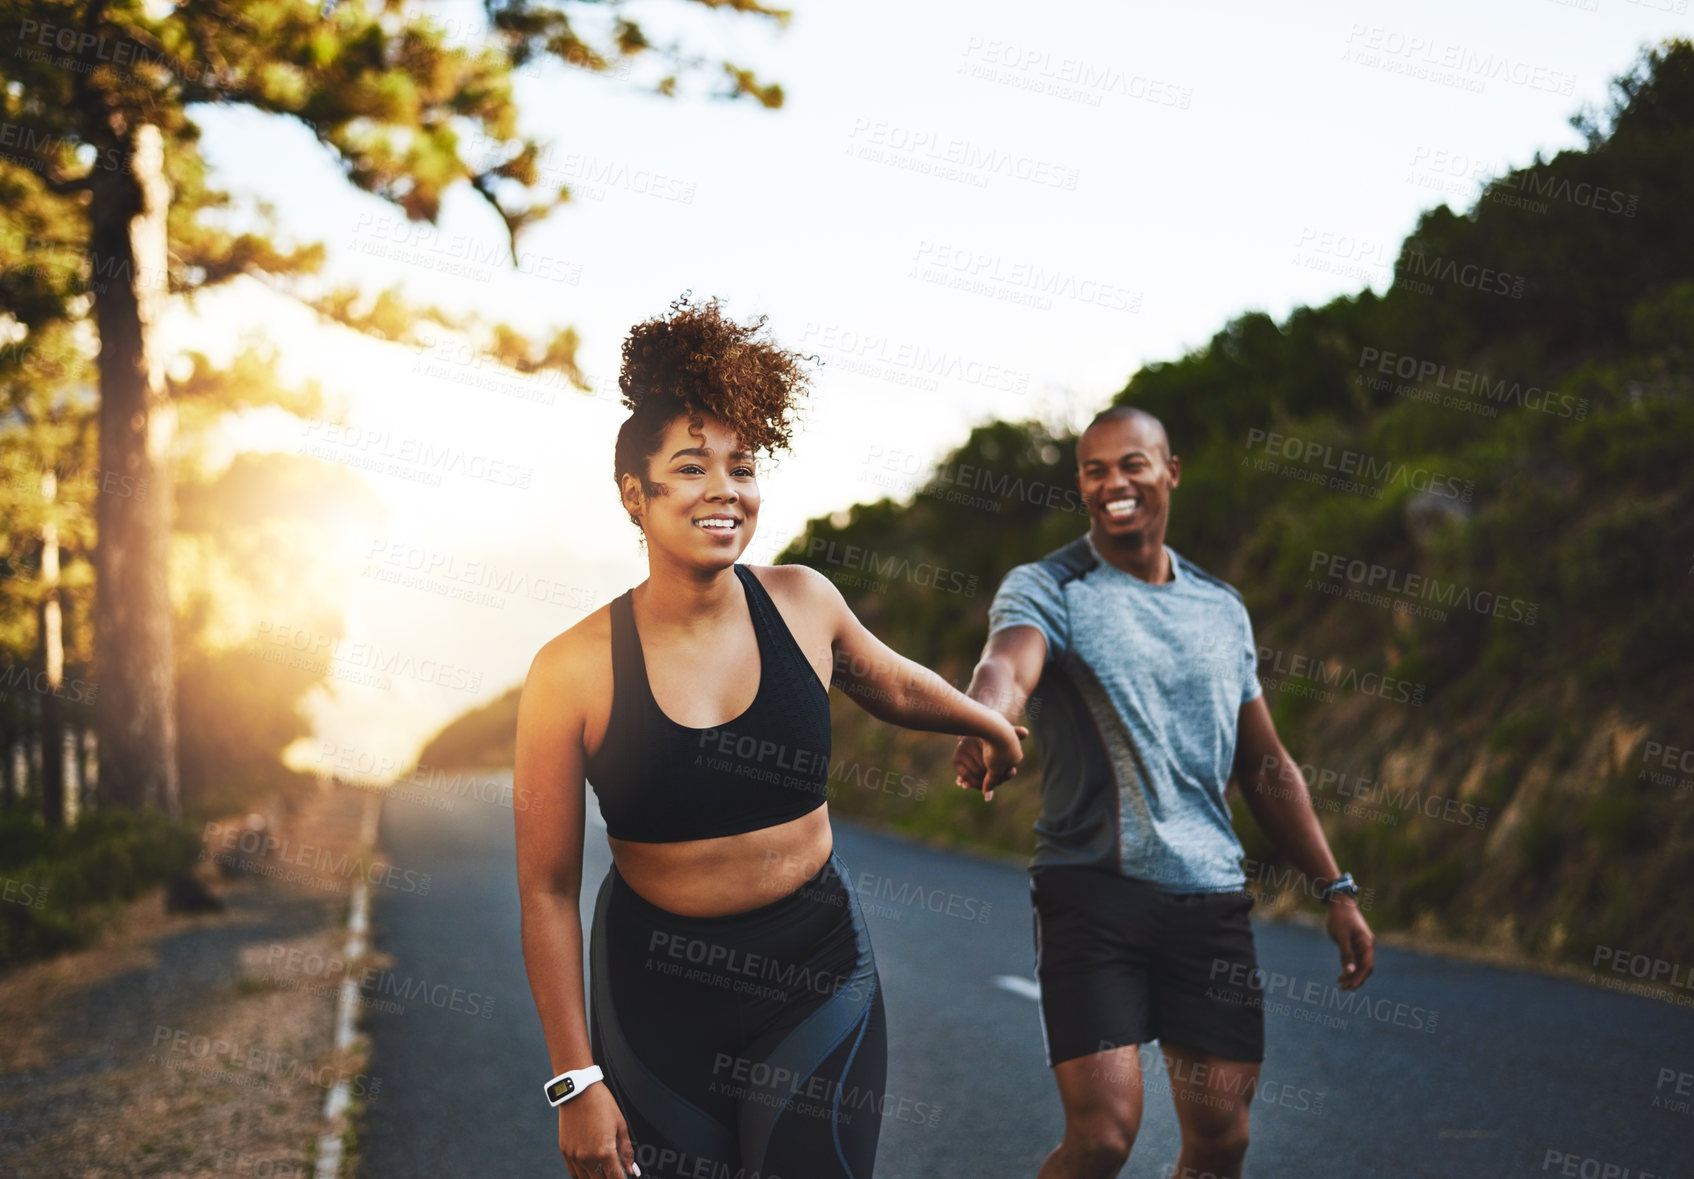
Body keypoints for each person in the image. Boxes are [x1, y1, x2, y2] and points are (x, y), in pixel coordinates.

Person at [514, 295, 1026, 1179]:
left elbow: (887, 678)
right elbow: (548, 888)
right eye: (690, 467)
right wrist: (575, 1079)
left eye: (742, 467)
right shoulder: (571, 669)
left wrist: (981, 717)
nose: (724, 489)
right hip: (657, 996)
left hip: (815, 969)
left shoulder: (800, 600)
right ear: (634, 494)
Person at [952, 405, 1375, 1179]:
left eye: (1132, 464)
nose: (1114, 482)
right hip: (1092, 892)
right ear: (1081, 484)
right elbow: (1008, 664)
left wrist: (1335, 887)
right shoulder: (1052, 586)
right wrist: (988, 720)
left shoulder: (1220, 606)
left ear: (1169, 471)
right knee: (1104, 1138)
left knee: (1222, 1142)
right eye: (1094, 469)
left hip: (1208, 900)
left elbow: (1267, 763)